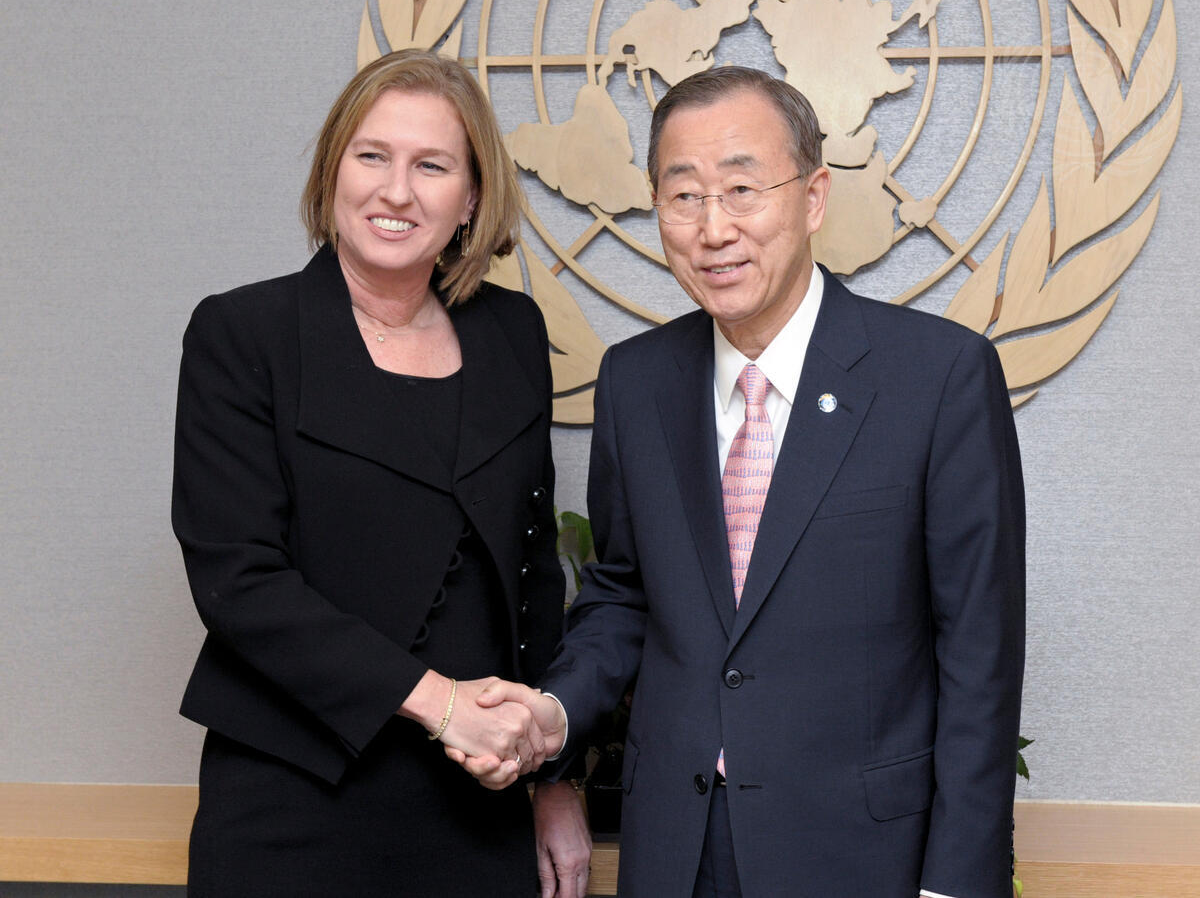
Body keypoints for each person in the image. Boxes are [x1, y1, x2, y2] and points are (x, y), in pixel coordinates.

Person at [457, 66, 1025, 898]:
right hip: (677, 851)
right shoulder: (636, 382)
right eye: (684, 196)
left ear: (814, 198)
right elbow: (624, 595)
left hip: (864, 855)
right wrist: (556, 713)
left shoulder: (938, 378)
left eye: (742, 189)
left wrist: (957, 885)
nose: (713, 228)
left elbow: (979, 654)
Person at [172, 49, 589, 898]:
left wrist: (556, 783)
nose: (396, 191)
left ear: (471, 198)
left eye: (431, 166)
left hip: (478, 810)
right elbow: (239, 582)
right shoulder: (243, 334)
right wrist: (442, 704)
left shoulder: (512, 334)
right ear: (334, 172)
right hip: (292, 802)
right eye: (372, 156)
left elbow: (533, 577)